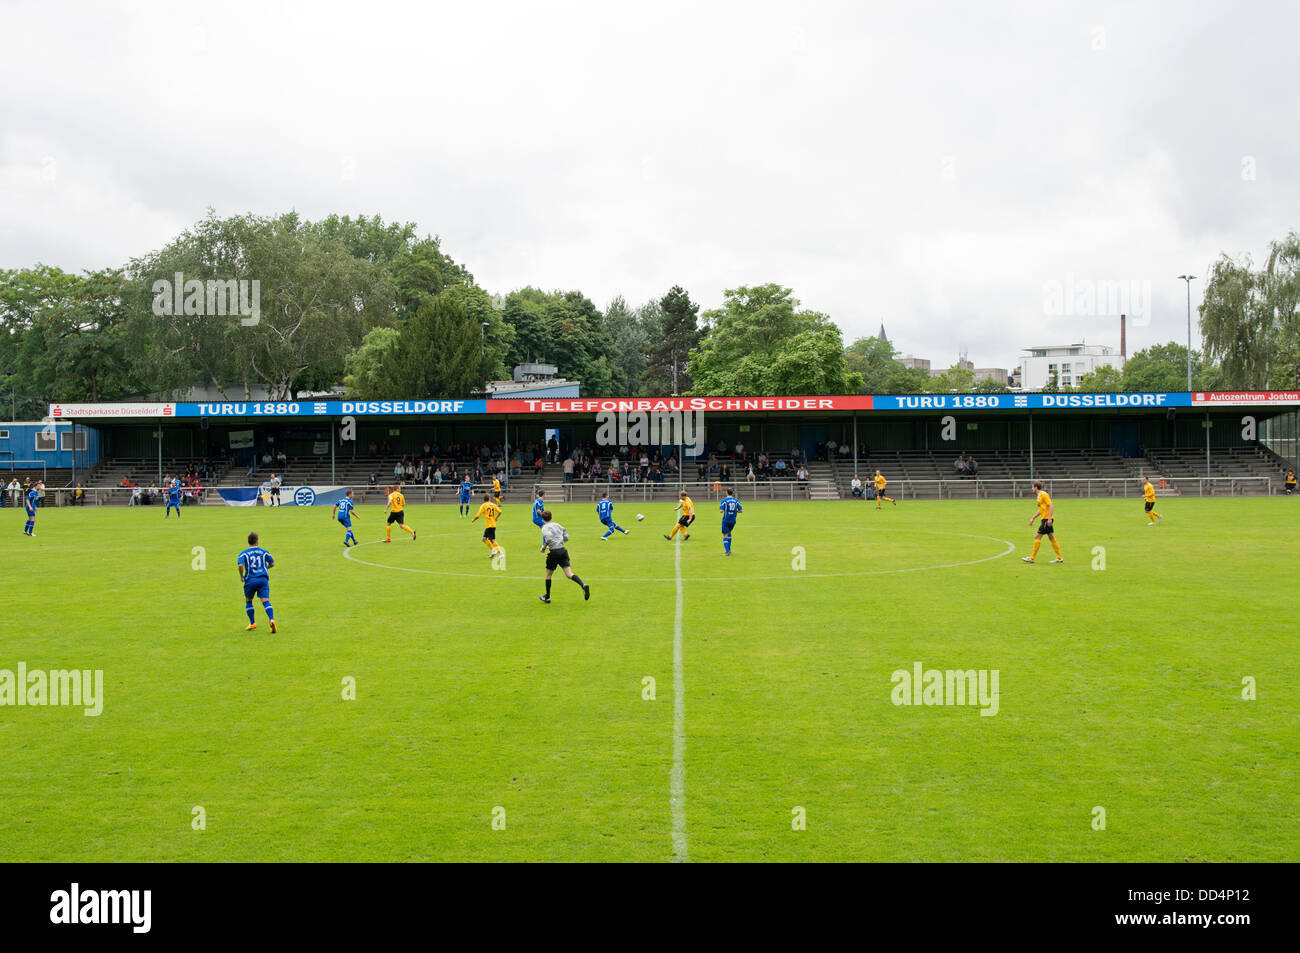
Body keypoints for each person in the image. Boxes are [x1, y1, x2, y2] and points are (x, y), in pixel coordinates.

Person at [538, 509, 589, 604]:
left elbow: (548, 538)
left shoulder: (544, 528)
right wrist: (562, 541)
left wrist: (544, 548)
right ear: (551, 517)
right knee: (569, 574)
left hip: (554, 552)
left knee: (548, 574)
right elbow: (566, 534)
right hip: (563, 550)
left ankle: (547, 597)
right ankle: (583, 585)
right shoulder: (557, 525)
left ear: (543, 518)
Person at [237, 531, 277, 633]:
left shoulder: (243, 553)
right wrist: (265, 568)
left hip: (250, 580)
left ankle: (252, 623)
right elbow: (272, 563)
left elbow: (240, 565)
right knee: (266, 601)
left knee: (249, 601)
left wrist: (242, 576)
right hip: (263, 580)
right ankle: (271, 619)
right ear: (257, 541)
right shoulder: (264, 552)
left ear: (248, 542)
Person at [1022, 480, 1063, 564]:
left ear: (1036, 487)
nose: (1032, 488)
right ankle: (1059, 558)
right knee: (1051, 537)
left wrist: (1049, 519)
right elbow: (1042, 509)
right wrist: (1033, 518)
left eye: (1032, 486)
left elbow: (1051, 505)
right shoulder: (1039, 495)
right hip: (1044, 519)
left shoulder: (1044, 494)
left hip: (1046, 520)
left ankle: (1032, 558)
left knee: (1037, 537)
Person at [472, 491, 502, 559]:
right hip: (492, 524)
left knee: (492, 540)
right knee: (484, 539)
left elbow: (478, 515)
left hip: (490, 525)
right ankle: (494, 550)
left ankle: (501, 553)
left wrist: (473, 519)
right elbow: (500, 511)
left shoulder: (483, 505)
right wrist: (496, 518)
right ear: (489, 498)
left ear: (484, 499)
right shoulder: (493, 505)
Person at [719, 486, 743, 556]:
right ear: (732, 493)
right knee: (729, 533)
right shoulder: (736, 500)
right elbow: (741, 510)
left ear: (726, 493)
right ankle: (729, 550)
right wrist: (735, 511)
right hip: (733, 520)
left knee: (725, 535)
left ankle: (727, 552)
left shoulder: (724, 500)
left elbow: (721, 511)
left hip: (726, 520)